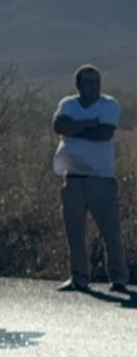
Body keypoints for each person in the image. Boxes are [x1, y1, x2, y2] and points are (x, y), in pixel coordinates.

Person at [52, 64, 128, 294]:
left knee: (110, 231)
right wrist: (88, 124)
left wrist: (74, 130)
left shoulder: (108, 104)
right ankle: (79, 277)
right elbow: (59, 126)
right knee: (74, 231)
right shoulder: (68, 104)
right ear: (78, 85)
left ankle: (118, 277)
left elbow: (104, 133)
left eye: (97, 82)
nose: (94, 86)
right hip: (73, 177)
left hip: (100, 177)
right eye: (88, 82)